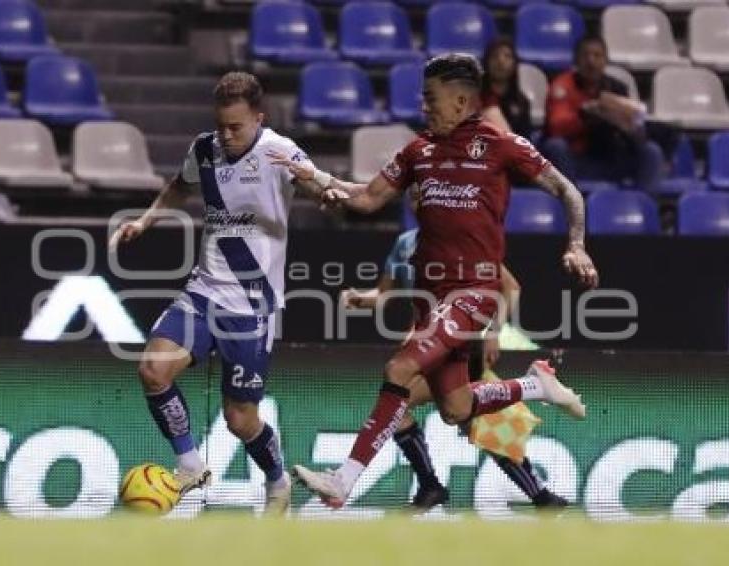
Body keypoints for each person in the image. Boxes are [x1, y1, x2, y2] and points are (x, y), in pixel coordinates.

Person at [270, 53, 598, 509]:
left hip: (474, 291)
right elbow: (365, 198)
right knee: (456, 408)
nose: (424, 106)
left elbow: (567, 190)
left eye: (431, 98)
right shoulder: (417, 151)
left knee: (398, 370)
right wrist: (318, 179)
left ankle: (343, 481)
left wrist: (576, 243)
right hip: (430, 296)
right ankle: (535, 385)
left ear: (463, 100)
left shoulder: (502, 145)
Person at [109, 72, 319, 515]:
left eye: (236, 127)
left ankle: (278, 482)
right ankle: (190, 464)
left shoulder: (279, 151)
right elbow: (179, 186)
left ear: (259, 118)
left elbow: (320, 183)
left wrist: (328, 189)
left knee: (240, 419)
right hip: (204, 291)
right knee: (152, 370)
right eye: (221, 124)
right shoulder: (204, 149)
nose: (226, 135)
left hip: (252, 305)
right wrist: (147, 219)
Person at [342, 229, 568, 512]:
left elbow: (510, 287)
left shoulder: (466, 232)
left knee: (417, 409)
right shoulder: (405, 243)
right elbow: (384, 294)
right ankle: (539, 497)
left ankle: (432, 485)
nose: (417, 195)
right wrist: (360, 298)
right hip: (427, 349)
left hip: (460, 345)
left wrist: (493, 332)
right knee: (465, 416)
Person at [542, 35, 663, 192]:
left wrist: (630, 125)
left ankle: (643, 208)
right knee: (556, 146)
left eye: (597, 56)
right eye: (586, 56)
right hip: (577, 159)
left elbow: (634, 131)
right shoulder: (562, 86)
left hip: (612, 157)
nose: (591, 61)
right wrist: (585, 116)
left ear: (605, 61)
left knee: (651, 151)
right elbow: (556, 127)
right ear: (576, 61)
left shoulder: (617, 88)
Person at [480, 37, 532, 140]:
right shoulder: (475, 98)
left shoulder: (522, 101)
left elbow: (525, 141)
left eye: (507, 56)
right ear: (486, 63)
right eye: (495, 56)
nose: (501, 61)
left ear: (515, 64)